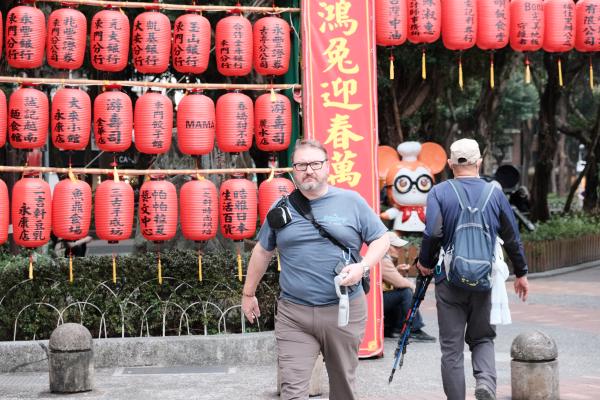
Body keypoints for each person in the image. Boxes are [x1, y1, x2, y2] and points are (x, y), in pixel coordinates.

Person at [242, 139, 389, 400]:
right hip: (294, 314)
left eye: (315, 163)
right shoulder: (281, 209)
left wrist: (363, 266)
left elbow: (381, 238)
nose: (308, 170)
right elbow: (262, 251)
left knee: (344, 386)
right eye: (301, 165)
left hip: (343, 310)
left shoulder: (351, 202)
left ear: (327, 167)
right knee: (292, 389)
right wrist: (248, 293)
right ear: (293, 170)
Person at [416, 138, 529, 400]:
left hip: (449, 281)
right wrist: (521, 273)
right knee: (482, 338)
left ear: (449, 164)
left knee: (451, 349)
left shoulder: (439, 192)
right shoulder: (495, 193)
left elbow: (433, 233)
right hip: (485, 278)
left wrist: (425, 263)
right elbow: (512, 236)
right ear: (479, 162)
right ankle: (486, 384)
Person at [382, 231, 436, 342]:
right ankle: (414, 329)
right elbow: (400, 282)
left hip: (375, 302)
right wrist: (414, 287)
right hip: (375, 303)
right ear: (387, 247)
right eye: (396, 247)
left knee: (399, 293)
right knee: (406, 292)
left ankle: (395, 328)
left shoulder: (382, 258)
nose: (399, 249)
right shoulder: (383, 260)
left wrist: (395, 270)